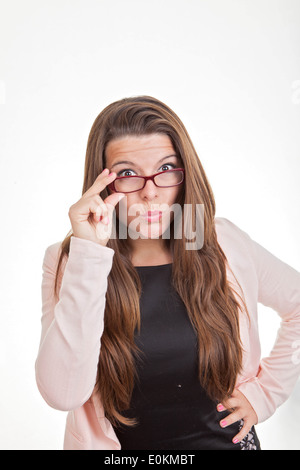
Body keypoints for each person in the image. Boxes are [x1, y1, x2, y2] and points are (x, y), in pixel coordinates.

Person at [35, 95, 300, 451]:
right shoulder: (73, 260)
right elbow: (62, 394)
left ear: (185, 175)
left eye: (166, 169)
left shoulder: (220, 242)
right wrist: (90, 256)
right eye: (127, 173)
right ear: (103, 185)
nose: (149, 192)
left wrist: (265, 394)